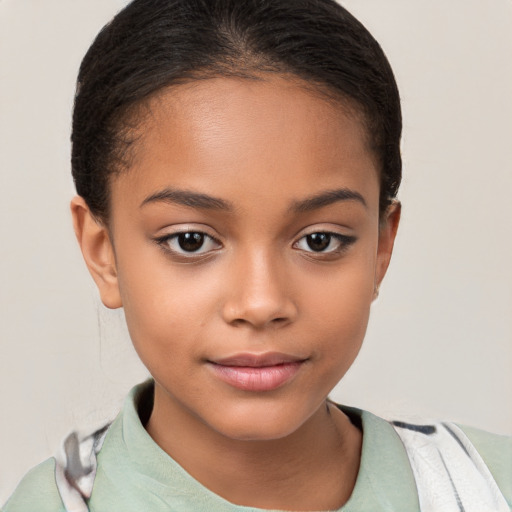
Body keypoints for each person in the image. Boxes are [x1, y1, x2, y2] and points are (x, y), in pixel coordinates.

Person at [2, 0, 510, 510]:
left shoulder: (490, 487)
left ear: (381, 246)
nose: (261, 302)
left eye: (319, 240)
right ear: (102, 252)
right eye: (191, 240)